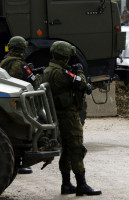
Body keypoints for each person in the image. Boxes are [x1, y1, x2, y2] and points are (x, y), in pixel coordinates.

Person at [44, 41, 101, 196]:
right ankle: (81, 185)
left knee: (67, 150)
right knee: (76, 148)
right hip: (68, 115)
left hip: (58, 114)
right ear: (65, 57)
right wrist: (80, 71)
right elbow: (81, 83)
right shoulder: (60, 73)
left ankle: (66, 184)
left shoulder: (49, 70)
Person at [0, 36, 42, 175]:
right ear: (22, 50)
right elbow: (35, 83)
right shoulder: (21, 65)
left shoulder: (3, 63)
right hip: (21, 102)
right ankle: (21, 162)